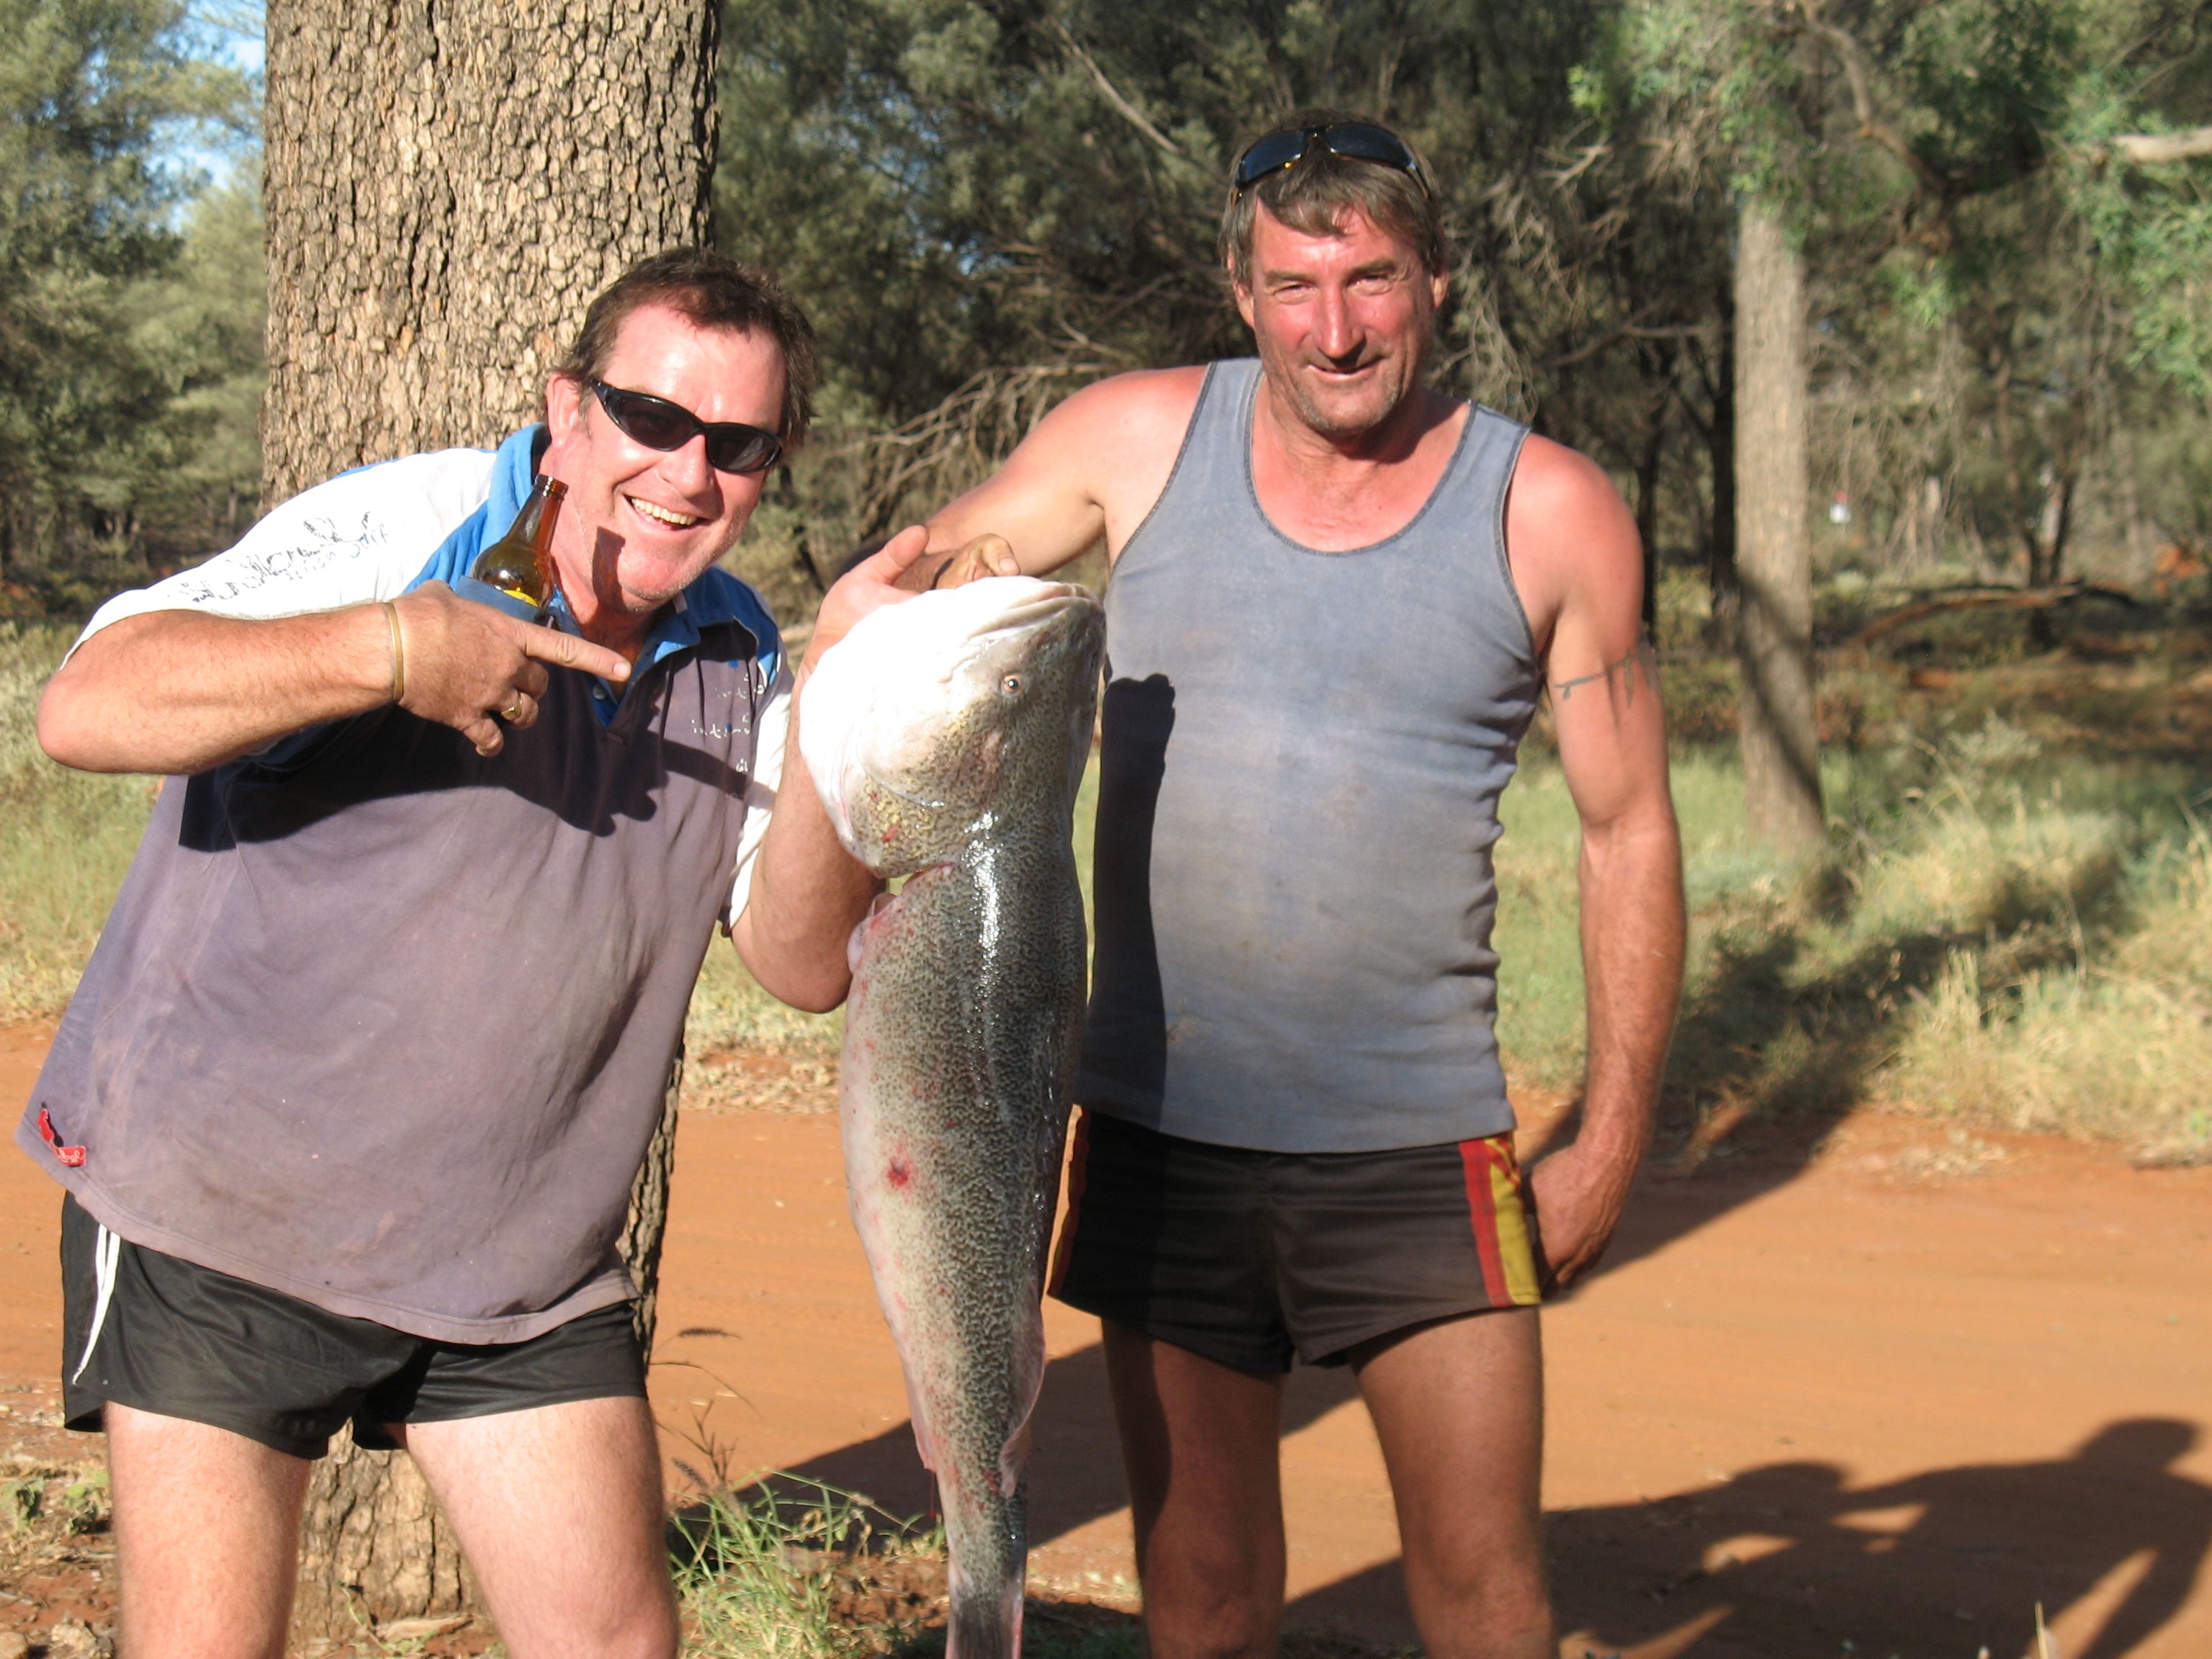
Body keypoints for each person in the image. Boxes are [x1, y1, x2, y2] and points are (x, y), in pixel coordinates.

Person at [840, 115, 1687, 1657]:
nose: (1337, 325)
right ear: (1243, 293)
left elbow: (1632, 830)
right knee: (1208, 1594)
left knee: (1488, 1596)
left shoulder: (1548, 508)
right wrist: (868, 622)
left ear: (1435, 282)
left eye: (1372, 279)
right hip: (1166, 1143)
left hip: (1427, 1147)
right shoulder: (1134, 441)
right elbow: (915, 616)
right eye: (1297, 285)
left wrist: (1614, 1133)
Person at [19, 248, 879, 1659]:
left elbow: (801, 963)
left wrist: (850, 706)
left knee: (614, 1644)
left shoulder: (741, 654)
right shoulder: (412, 530)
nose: (687, 472)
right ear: (569, 410)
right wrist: (392, 650)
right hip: (217, 1216)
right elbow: (87, 705)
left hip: (514, 1271)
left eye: (739, 445)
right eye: (654, 419)